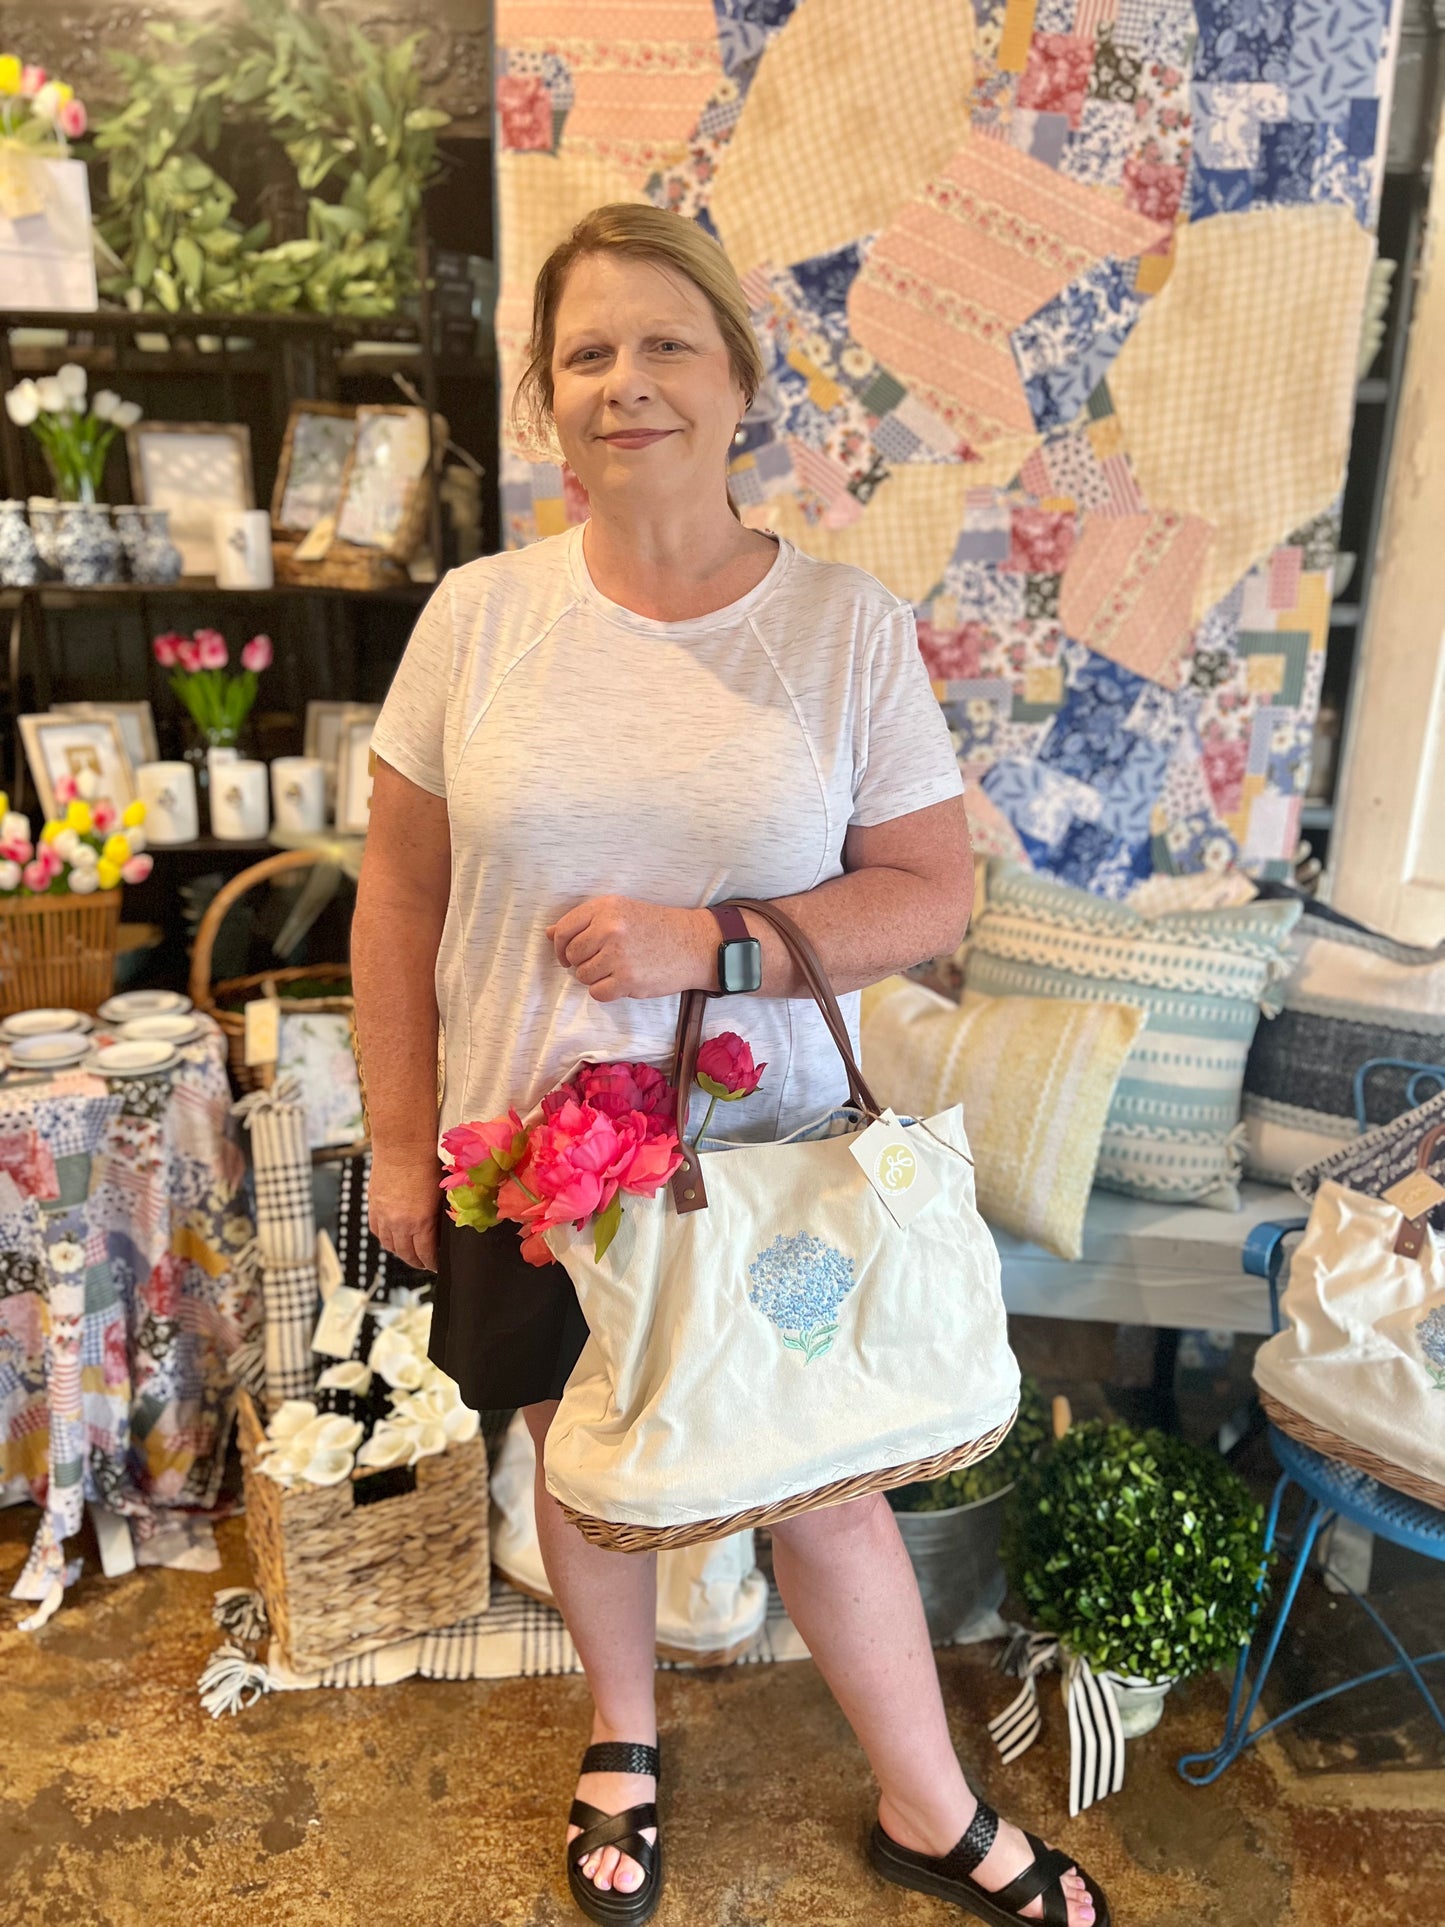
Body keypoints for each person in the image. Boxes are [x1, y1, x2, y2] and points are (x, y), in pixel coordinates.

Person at [352, 204, 1108, 1927]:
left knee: (823, 1494)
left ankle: (928, 1809)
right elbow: (396, 898)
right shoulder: (476, 617)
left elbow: (930, 895)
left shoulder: (842, 628)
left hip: (763, 1158)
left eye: (667, 345)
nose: (629, 383)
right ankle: (621, 1736)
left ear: (743, 384)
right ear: (549, 399)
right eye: (589, 353)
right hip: (522, 1160)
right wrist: (398, 1144)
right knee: (576, 1455)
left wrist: (719, 946)